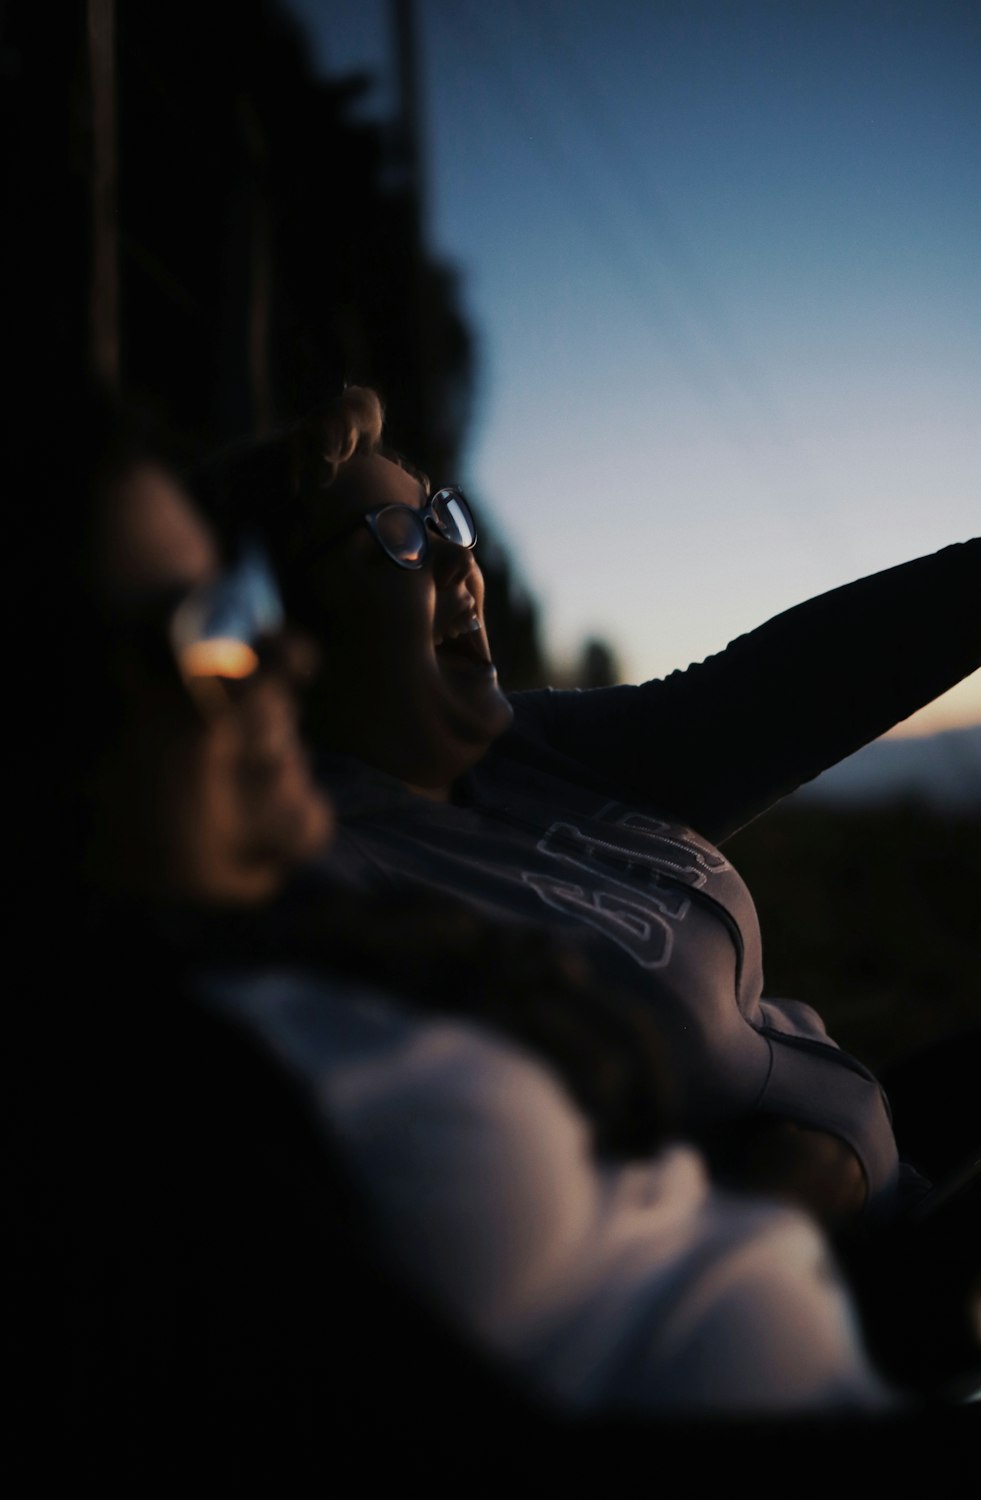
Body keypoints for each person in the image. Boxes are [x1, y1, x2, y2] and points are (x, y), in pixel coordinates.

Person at [14, 389, 930, 1490]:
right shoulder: (295, 956)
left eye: (446, 516)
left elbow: (779, 690)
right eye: (397, 540)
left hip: (899, 1222)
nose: (458, 558)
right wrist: (800, 1189)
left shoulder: (510, 753)